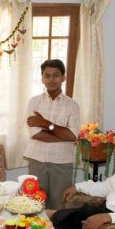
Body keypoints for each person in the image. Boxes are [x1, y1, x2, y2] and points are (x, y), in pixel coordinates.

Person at [23, 59, 80, 210]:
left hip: (62, 162)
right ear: (42, 78)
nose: (51, 79)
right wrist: (62, 133)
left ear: (63, 77)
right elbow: (35, 134)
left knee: (59, 206)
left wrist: (44, 123)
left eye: (56, 75)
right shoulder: (34, 102)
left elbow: (72, 136)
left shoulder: (72, 105)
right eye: (47, 75)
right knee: (35, 204)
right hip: (37, 159)